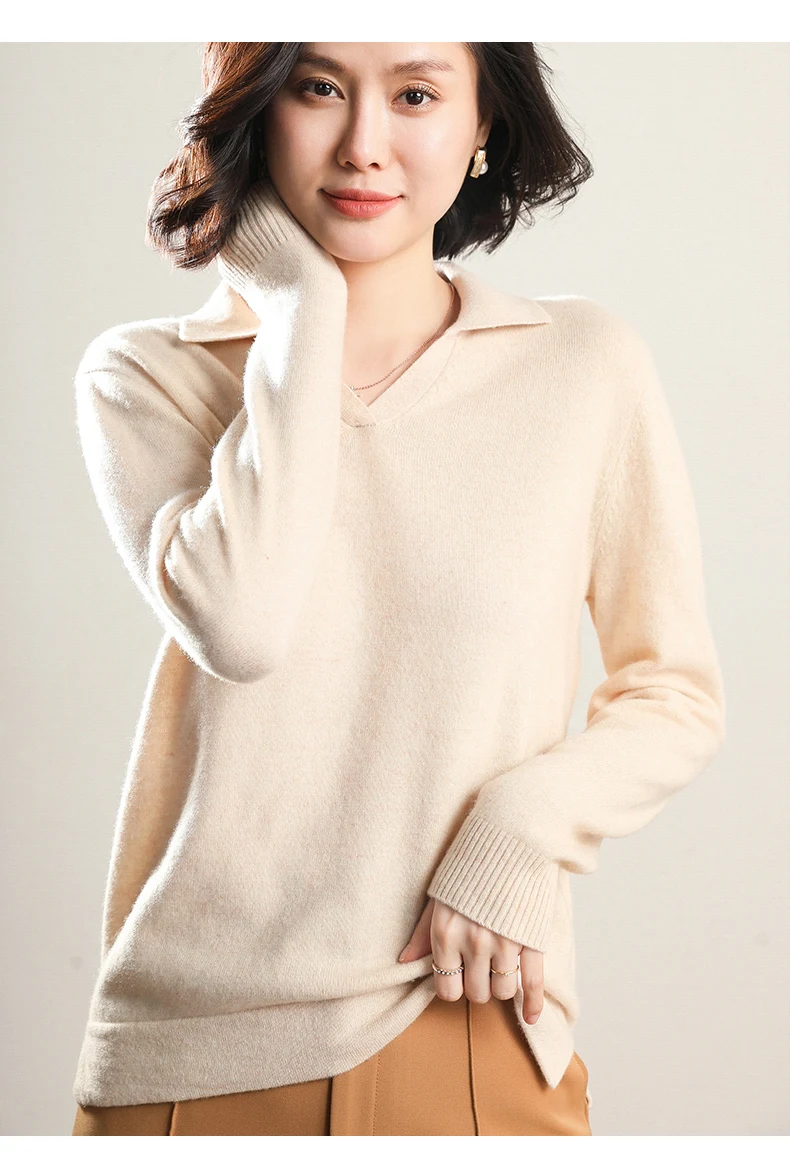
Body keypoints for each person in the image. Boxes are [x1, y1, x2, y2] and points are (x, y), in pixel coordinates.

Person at [70, 42, 725, 1136]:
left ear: (482, 127)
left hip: (469, 1012)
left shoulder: (583, 364)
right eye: (318, 89)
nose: (363, 144)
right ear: (257, 110)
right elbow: (243, 623)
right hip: (195, 1047)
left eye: (416, 94)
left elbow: (675, 692)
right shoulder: (150, 376)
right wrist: (300, 306)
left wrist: (520, 824)